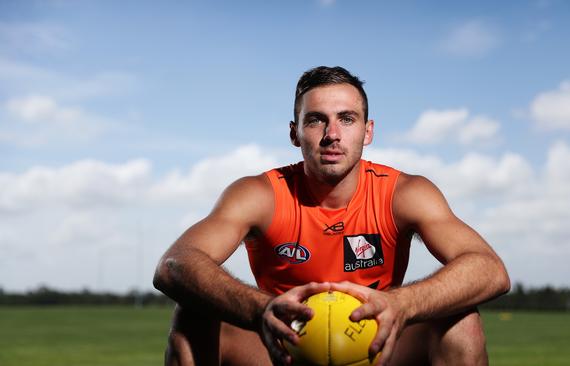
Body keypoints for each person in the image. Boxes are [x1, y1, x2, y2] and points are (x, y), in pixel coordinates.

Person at [153, 66, 510, 366]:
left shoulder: (404, 193)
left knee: (461, 319)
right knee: (193, 313)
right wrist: (260, 309)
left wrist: (403, 304)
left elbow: (489, 269)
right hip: (282, 347)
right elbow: (174, 265)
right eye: (316, 120)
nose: (332, 135)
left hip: (374, 347)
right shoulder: (261, 194)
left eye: (347, 119)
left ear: (367, 131)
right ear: (295, 133)